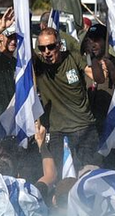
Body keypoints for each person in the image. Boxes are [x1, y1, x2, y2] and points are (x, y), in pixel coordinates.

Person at [33, 25, 98, 168]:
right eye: (42, 48)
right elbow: (24, 51)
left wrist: (91, 56)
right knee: (62, 179)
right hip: (58, 132)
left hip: (84, 127)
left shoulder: (73, 57)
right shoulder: (38, 65)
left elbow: (98, 77)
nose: (47, 52)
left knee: (90, 174)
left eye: (50, 47)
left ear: (59, 45)